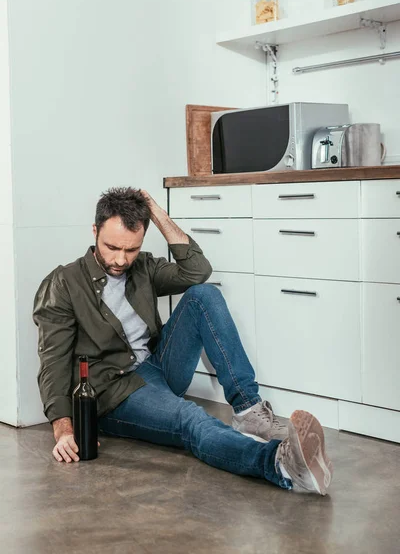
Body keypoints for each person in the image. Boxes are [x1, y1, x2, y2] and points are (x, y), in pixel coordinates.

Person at [33, 187, 333, 495]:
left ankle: (248, 412)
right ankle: (280, 466)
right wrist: (63, 428)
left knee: (204, 295)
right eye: (112, 247)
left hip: (155, 368)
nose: (121, 259)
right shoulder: (64, 283)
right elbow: (52, 363)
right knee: (190, 418)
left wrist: (157, 213)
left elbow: (197, 271)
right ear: (95, 231)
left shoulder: (144, 268)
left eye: (131, 249)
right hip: (113, 392)